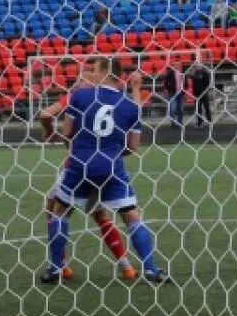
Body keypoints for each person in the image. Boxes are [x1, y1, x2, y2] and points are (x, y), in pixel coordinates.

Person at [41, 57, 169, 284]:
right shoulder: (130, 105)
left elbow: (67, 132)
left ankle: (55, 268)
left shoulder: (80, 96)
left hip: (79, 164)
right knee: (131, 216)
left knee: (59, 212)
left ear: (104, 72)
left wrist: (67, 134)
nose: (91, 73)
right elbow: (132, 147)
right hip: (111, 166)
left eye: (94, 69)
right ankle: (151, 269)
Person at [38, 67, 137, 281]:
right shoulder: (109, 101)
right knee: (100, 213)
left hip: (76, 167)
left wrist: (50, 131)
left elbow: (45, 115)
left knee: (54, 209)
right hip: (106, 165)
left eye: (86, 76)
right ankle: (126, 265)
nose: (81, 81)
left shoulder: (76, 98)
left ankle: (59, 264)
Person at [188, 56, 214, 128]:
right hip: (196, 94)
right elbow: (193, 82)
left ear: (201, 65)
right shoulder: (194, 73)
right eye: (196, 65)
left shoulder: (205, 73)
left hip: (204, 93)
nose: (197, 66)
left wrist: (206, 90)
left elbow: (208, 83)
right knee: (198, 110)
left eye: (198, 65)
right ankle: (199, 123)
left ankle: (209, 122)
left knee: (206, 108)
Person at [163, 60, 185, 128]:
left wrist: (184, 89)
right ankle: (173, 122)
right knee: (173, 108)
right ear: (173, 66)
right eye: (175, 65)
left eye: (178, 65)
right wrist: (167, 89)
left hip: (180, 93)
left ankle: (180, 121)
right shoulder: (170, 73)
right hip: (172, 93)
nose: (177, 66)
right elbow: (166, 82)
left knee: (180, 108)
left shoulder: (182, 73)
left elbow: (185, 82)